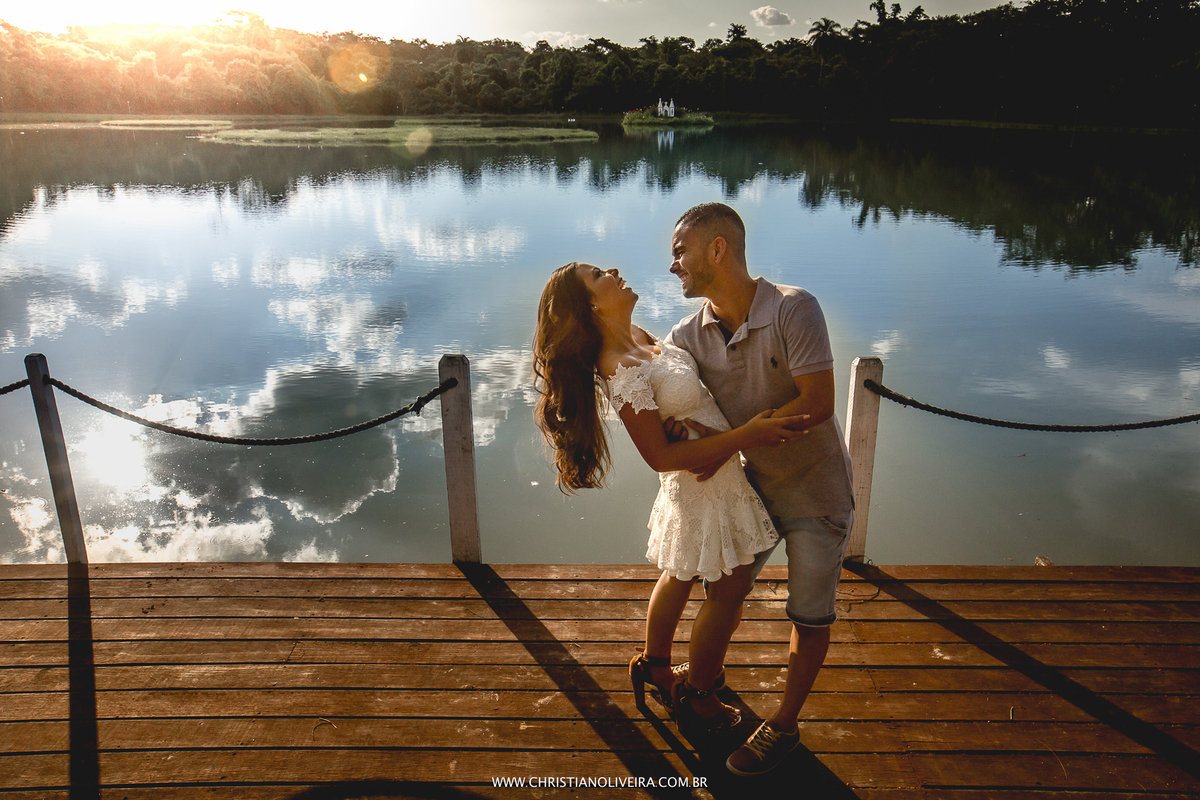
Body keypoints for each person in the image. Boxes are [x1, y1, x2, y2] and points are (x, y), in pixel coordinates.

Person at [532, 262, 806, 730]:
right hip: (704, 486)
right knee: (729, 592)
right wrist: (746, 435)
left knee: (678, 574)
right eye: (599, 274)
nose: (615, 270)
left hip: (711, 474)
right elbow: (658, 456)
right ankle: (698, 698)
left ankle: (655, 664)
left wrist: (694, 426)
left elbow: (674, 408)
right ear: (592, 305)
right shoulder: (619, 367)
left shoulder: (638, 335)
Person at [663, 202, 855, 776]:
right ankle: (700, 691)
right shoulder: (685, 336)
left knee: (808, 616)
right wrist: (688, 430)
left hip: (819, 494)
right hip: (752, 490)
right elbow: (680, 404)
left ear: (718, 249)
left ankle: (785, 727)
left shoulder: (795, 309)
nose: (674, 264)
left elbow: (819, 403)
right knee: (725, 589)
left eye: (681, 250)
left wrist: (739, 435)